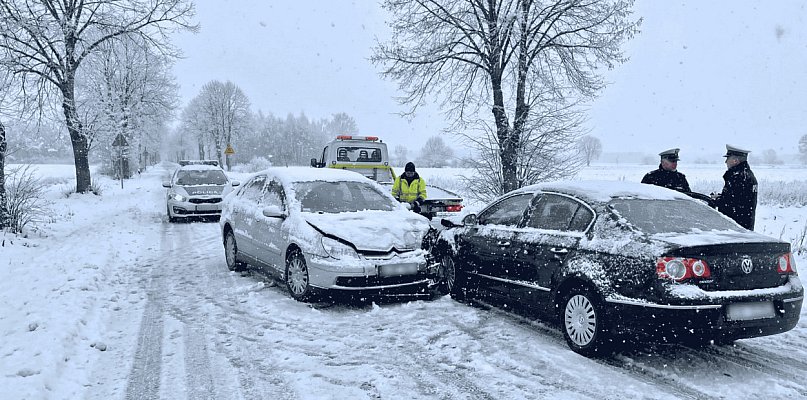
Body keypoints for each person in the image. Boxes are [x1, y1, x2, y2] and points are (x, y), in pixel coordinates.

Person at [709, 145, 758, 230]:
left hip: (735, 227)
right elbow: (740, 198)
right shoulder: (748, 175)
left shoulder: (738, 177)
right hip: (745, 225)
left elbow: (731, 203)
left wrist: (715, 201)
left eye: (728, 158)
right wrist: (721, 197)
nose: (725, 162)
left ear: (735, 160)